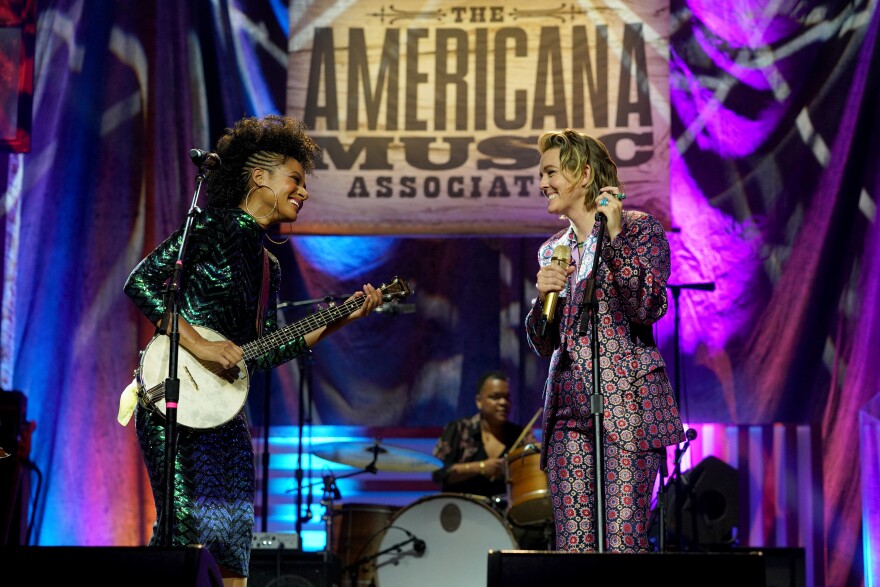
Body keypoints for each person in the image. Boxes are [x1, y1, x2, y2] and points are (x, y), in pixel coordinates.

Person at [123, 114, 382, 586]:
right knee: (184, 531)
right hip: (173, 398)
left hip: (225, 412)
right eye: (296, 179)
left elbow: (259, 352)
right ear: (260, 177)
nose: (304, 192)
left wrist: (342, 316)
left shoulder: (269, 267)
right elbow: (140, 282)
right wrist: (199, 344)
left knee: (231, 538)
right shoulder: (210, 225)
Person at [524, 129, 685, 553]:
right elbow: (544, 343)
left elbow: (650, 306)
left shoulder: (637, 229)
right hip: (568, 416)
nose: (542, 183)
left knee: (620, 544)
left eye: (551, 172)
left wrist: (614, 240)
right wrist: (543, 300)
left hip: (628, 409)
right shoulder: (552, 250)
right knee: (575, 549)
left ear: (583, 174)